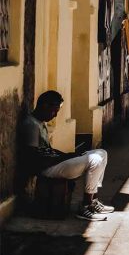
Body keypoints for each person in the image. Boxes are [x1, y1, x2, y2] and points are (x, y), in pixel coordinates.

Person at [19, 91, 114, 221]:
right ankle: (85, 206)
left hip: (53, 164)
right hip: (46, 170)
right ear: (44, 106)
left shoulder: (40, 123)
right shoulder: (31, 124)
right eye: (53, 111)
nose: (55, 115)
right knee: (95, 159)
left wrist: (67, 155)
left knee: (102, 153)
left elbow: (47, 150)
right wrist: (65, 157)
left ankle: (93, 201)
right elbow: (33, 156)